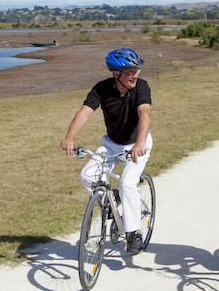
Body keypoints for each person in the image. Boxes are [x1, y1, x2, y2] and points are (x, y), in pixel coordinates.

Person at [61, 47, 153, 254]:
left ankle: (133, 232)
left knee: (127, 182)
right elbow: (84, 113)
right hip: (112, 144)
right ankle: (114, 196)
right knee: (87, 175)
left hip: (138, 144)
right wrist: (70, 137)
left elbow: (144, 114)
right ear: (116, 73)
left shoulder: (142, 87)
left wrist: (139, 143)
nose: (135, 74)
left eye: (136, 70)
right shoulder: (101, 89)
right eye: (130, 72)